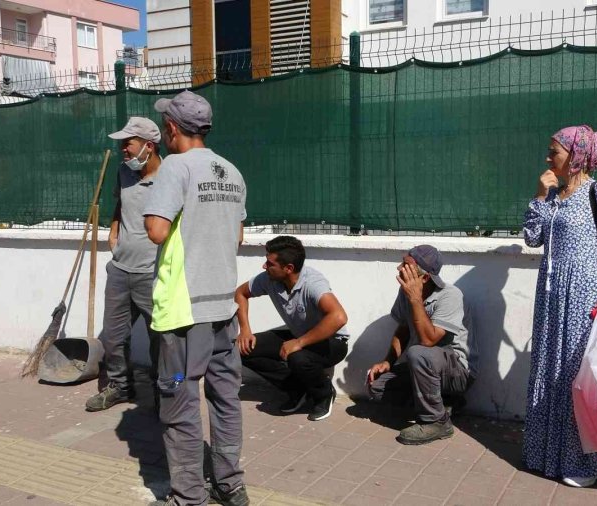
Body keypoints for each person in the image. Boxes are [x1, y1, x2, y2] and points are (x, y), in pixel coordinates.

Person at [143, 90, 248, 506]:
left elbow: (156, 231)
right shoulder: (231, 171)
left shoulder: (176, 167)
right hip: (224, 308)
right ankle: (230, 484)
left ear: (171, 128)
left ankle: (189, 497)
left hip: (182, 314)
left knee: (178, 402)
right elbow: (237, 235)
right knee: (226, 401)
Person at [522, 125, 597, 488]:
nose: (547, 157)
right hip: (552, 301)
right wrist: (541, 196)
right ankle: (546, 455)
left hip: (586, 301)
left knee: (580, 380)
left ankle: (586, 463)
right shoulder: (554, 196)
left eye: (554, 151)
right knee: (550, 375)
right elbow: (531, 238)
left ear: (575, 156)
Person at [86, 117, 163, 412]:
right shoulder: (123, 172)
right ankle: (119, 386)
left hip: (153, 273)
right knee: (114, 335)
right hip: (120, 269)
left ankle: (162, 391)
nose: (123, 150)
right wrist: (113, 230)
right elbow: (121, 204)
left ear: (149, 146)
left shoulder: (172, 177)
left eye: (127, 144)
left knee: (161, 338)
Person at [235, 236, 349, 421]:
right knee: (242, 349)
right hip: (298, 335)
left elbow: (338, 317)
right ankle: (298, 389)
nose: (264, 266)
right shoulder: (269, 279)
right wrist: (245, 330)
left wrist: (299, 342)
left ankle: (323, 394)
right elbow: (240, 293)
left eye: (269, 263)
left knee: (298, 357)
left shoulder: (312, 283)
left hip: (332, 342)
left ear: (288, 268)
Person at [366, 245, 473, 445]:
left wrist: (415, 299)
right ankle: (446, 405)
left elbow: (428, 340)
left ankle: (437, 422)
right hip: (425, 369)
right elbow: (404, 329)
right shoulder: (405, 291)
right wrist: (388, 361)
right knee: (377, 386)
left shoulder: (451, 295)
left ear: (424, 278)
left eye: (406, 265)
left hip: (457, 373)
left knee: (419, 352)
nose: (399, 268)